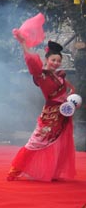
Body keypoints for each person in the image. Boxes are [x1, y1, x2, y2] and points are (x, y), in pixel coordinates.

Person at [8, 37, 77, 182]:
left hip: (63, 113)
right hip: (50, 115)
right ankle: (16, 169)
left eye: (58, 61)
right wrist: (24, 44)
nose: (56, 63)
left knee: (59, 142)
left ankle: (52, 171)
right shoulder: (42, 74)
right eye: (53, 60)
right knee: (37, 141)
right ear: (47, 59)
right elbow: (32, 61)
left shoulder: (59, 76)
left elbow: (70, 90)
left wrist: (72, 101)